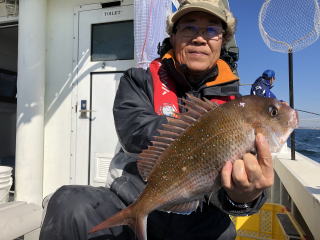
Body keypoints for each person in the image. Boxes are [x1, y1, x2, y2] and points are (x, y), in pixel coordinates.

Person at [40, 1, 274, 239]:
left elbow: (241, 188)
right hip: (132, 197)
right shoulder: (139, 80)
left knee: (224, 233)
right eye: (189, 28)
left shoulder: (238, 106)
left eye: (211, 30)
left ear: (222, 41)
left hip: (200, 214)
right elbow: (134, 131)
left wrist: (245, 197)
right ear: (173, 36)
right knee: (69, 204)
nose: (200, 38)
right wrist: (208, 135)